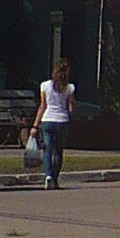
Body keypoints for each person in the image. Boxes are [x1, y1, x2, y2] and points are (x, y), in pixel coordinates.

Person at [28, 58, 78, 190]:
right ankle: (55, 179)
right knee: (58, 152)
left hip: (47, 120)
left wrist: (35, 125)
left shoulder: (45, 86)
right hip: (62, 121)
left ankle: (48, 176)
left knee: (48, 150)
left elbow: (42, 106)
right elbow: (71, 108)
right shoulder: (70, 88)